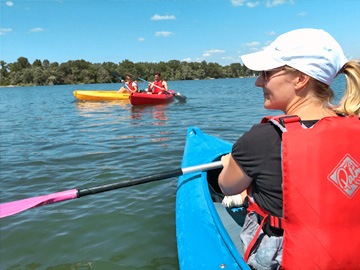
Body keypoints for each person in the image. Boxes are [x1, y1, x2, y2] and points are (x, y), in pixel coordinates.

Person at [218, 28, 360, 269]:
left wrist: (228, 162)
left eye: (266, 73)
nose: (257, 82)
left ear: (300, 79)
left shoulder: (262, 139)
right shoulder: (353, 124)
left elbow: (226, 185)